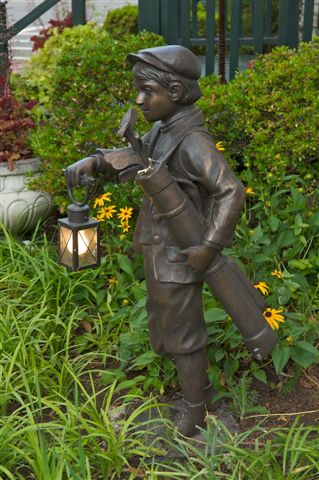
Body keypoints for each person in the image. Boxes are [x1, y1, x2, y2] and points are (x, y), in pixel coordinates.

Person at [64, 45, 276, 437]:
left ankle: (195, 410)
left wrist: (209, 246)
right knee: (166, 327)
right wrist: (95, 162)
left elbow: (231, 190)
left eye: (147, 91)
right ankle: (206, 394)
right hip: (162, 249)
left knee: (182, 332)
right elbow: (135, 157)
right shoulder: (164, 128)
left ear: (175, 93)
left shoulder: (192, 140)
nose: (139, 100)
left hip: (183, 252)